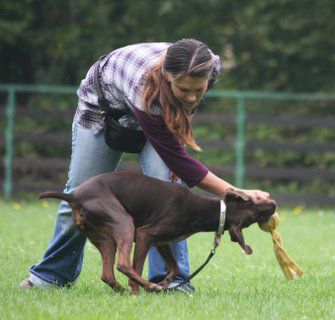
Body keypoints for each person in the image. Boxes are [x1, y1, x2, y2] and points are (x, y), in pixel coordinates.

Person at [19, 39, 270, 294]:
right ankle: (51, 276)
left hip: (157, 110)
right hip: (102, 110)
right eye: (184, 89)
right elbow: (177, 160)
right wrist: (235, 192)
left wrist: (179, 140)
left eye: (199, 89)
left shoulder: (210, 66)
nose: (193, 96)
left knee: (170, 190)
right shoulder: (143, 84)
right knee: (78, 193)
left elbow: (184, 112)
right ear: (168, 77)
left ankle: (170, 281)